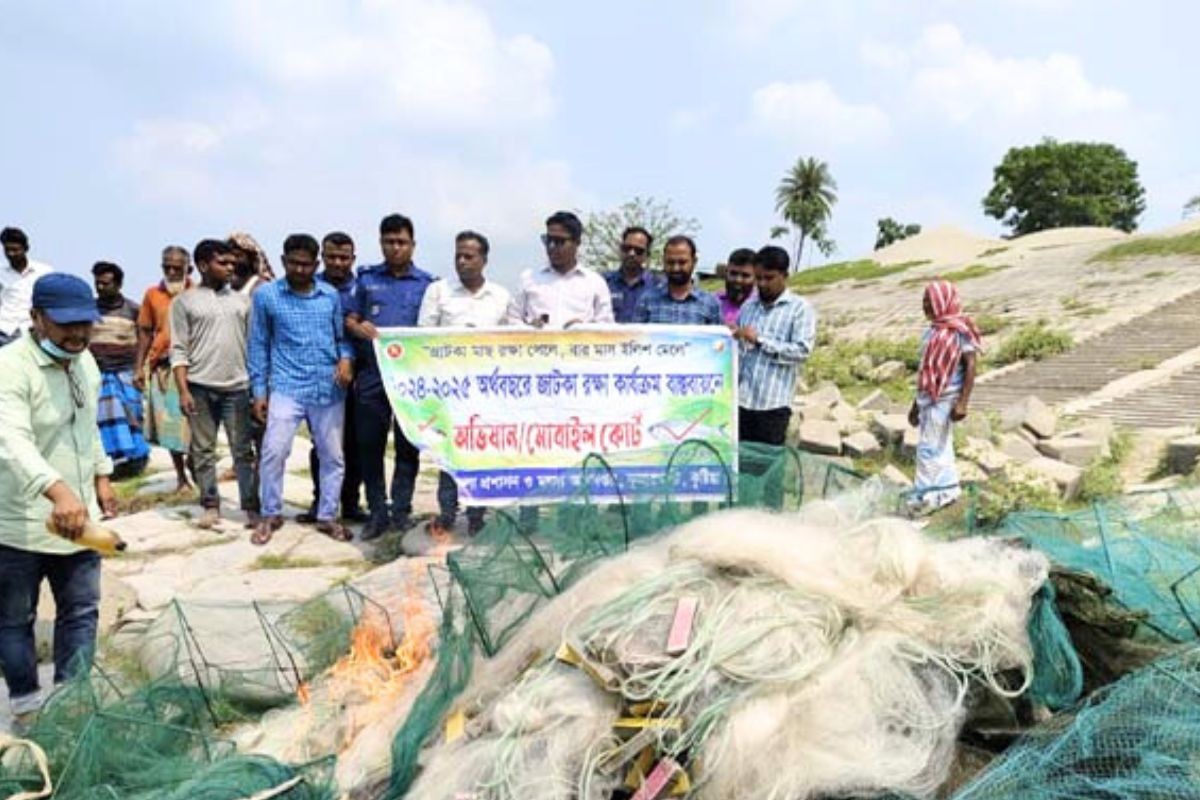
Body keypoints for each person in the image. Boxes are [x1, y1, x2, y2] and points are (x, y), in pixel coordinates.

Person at [0, 274, 116, 730]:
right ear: (35, 319)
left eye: (85, 324)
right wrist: (58, 489)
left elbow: (85, 430)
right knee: (13, 620)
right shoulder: (10, 366)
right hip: (21, 520)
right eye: (65, 324)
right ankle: (26, 707)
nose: (77, 334)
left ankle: (71, 705)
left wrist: (101, 475)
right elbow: (11, 440)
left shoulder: (85, 362)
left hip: (79, 519)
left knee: (82, 612)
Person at [248, 234, 355, 545]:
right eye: (293, 263)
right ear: (283, 262)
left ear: (316, 264)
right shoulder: (266, 296)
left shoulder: (329, 295)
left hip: (328, 387)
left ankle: (327, 516)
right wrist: (259, 391)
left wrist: (346, 359)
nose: (299, 270)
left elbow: (341, 338)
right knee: (274, 451)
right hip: (286, 385)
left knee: (332, 456)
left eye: (306, 264)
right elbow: (258, 345)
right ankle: (270, 513)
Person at [345, 214, 437, 540]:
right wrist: (361, 329)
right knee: (369, 447)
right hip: (372, 378)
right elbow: (349, 320)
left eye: (401, 242)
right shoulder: (367, 280)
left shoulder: (428, 285)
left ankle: (400, 511)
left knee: (408, 447)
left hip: (411, 382)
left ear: (413, 245)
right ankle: (376, 512)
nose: (395, 248)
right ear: (381, 243)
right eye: (389, 242)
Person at [418, 230, 511, 537]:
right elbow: (422, 336)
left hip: (485, 390)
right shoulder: (438, 291)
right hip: (448, 389)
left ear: (484, 260)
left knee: (478, 453)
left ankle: (476, 515)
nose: (462, 261)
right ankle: (447, 512)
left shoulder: (500, 296)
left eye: (469, 256)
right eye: (458, 255)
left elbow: (515, 337)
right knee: (448, 453)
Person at [170, 239, 259, 530]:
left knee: (243, 451)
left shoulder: (242, 301)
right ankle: (210, 504)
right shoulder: (184, 302)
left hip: (237, 387)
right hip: (199, 387)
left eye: (233, 263)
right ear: (204, 265)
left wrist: (257, 389)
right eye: (224, 263)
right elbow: (179, 349)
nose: (231, 267)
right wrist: (183, 390)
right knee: (202, 451)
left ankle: (250, 506)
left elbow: (252, 347)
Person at [298, 231, 367, 524]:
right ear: (321, 258)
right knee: (323, 444)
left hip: (359, 377)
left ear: (353, 258)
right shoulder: (311, 287)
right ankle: (320, 502)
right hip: (321, 378)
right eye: (331, 257)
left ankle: (350, 503)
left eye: (344, 257)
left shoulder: (363, 287)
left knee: (354, 443)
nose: (338, 262)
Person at [906, 280, 981, 514]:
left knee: (928, 448)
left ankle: (924, 496)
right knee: (941, 447)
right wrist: (915, 406)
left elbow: (970, 366)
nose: (926, 306)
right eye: (924, 302)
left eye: (930, 302)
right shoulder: (931, 332)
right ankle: (946, 492)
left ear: (942, 302)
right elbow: (925, 371)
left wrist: (963, 402)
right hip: (928, 398)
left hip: (946, 399)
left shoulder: (960, 330)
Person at [733, 245, 817, 446]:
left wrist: (760, 341)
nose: (762, 284)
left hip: (773, 406)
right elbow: (741, 349)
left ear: (784, 275)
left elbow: (802, 351)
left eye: (768, 278)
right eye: (758, 278)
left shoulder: (800, 309)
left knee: (767, 468)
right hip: (741, 401)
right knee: (739, 463)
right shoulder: (748, 306)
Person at [134, 246, 194, 492]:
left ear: (187, 268)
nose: (171, 271)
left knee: (195, 424)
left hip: (194, 367)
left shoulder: (198, 292)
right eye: (167, 267)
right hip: (163, 366)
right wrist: (138, 367)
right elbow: (145, 332)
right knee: (170, 425)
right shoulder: (152, 295)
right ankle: (181, 478)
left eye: (176, 268)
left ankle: (196, 465)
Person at [90, 262, 151, 479]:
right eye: (97, 282)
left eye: (105, 283)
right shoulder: (89, 309)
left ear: (118, 284)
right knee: (105, 418)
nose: (100, 287)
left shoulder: (134, 309)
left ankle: (137, 460)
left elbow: (145, 338)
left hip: (126, 370)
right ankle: (111, 464)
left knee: (132, 415)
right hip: (98, 372)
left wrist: (139, 369)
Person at [506, 211, 614, 328]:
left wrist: (583, 329)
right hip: (538, 345)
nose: (551, 246)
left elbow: (606, 326)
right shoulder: (528, 279)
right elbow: (513, 320)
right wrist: (529, 329)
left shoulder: (595, 282)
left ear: (577, 243)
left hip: (580, 345)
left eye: (559, 242)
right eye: (548, 240)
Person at [633, 235, 722, 325]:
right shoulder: (647, 300)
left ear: (694, 261)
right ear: (663, 261)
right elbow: (637, 336)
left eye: (682, 262)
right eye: (670, 262)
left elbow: (718, 337)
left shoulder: (709, 303)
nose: (676, 268)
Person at [0, 227, 54, 347]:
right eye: (7, 250)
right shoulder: (1, 273)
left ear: (26, 249)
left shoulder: (44, 272)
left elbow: (52, 301)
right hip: (4, 330)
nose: (11, 254)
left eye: (15, 250)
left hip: (31, 330)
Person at [605, 226, 663, 323]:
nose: (631, 253)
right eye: (627, 248)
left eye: (638, 251)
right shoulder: (603, 283)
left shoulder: (658, 286)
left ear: (647, 255)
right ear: (620, 249)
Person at [717, 248, 757, 327]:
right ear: (726, 273)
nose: (738, 280)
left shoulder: (760, 307)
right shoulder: (713, 302)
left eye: (745, 275)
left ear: (756, 279)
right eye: (733, 273)